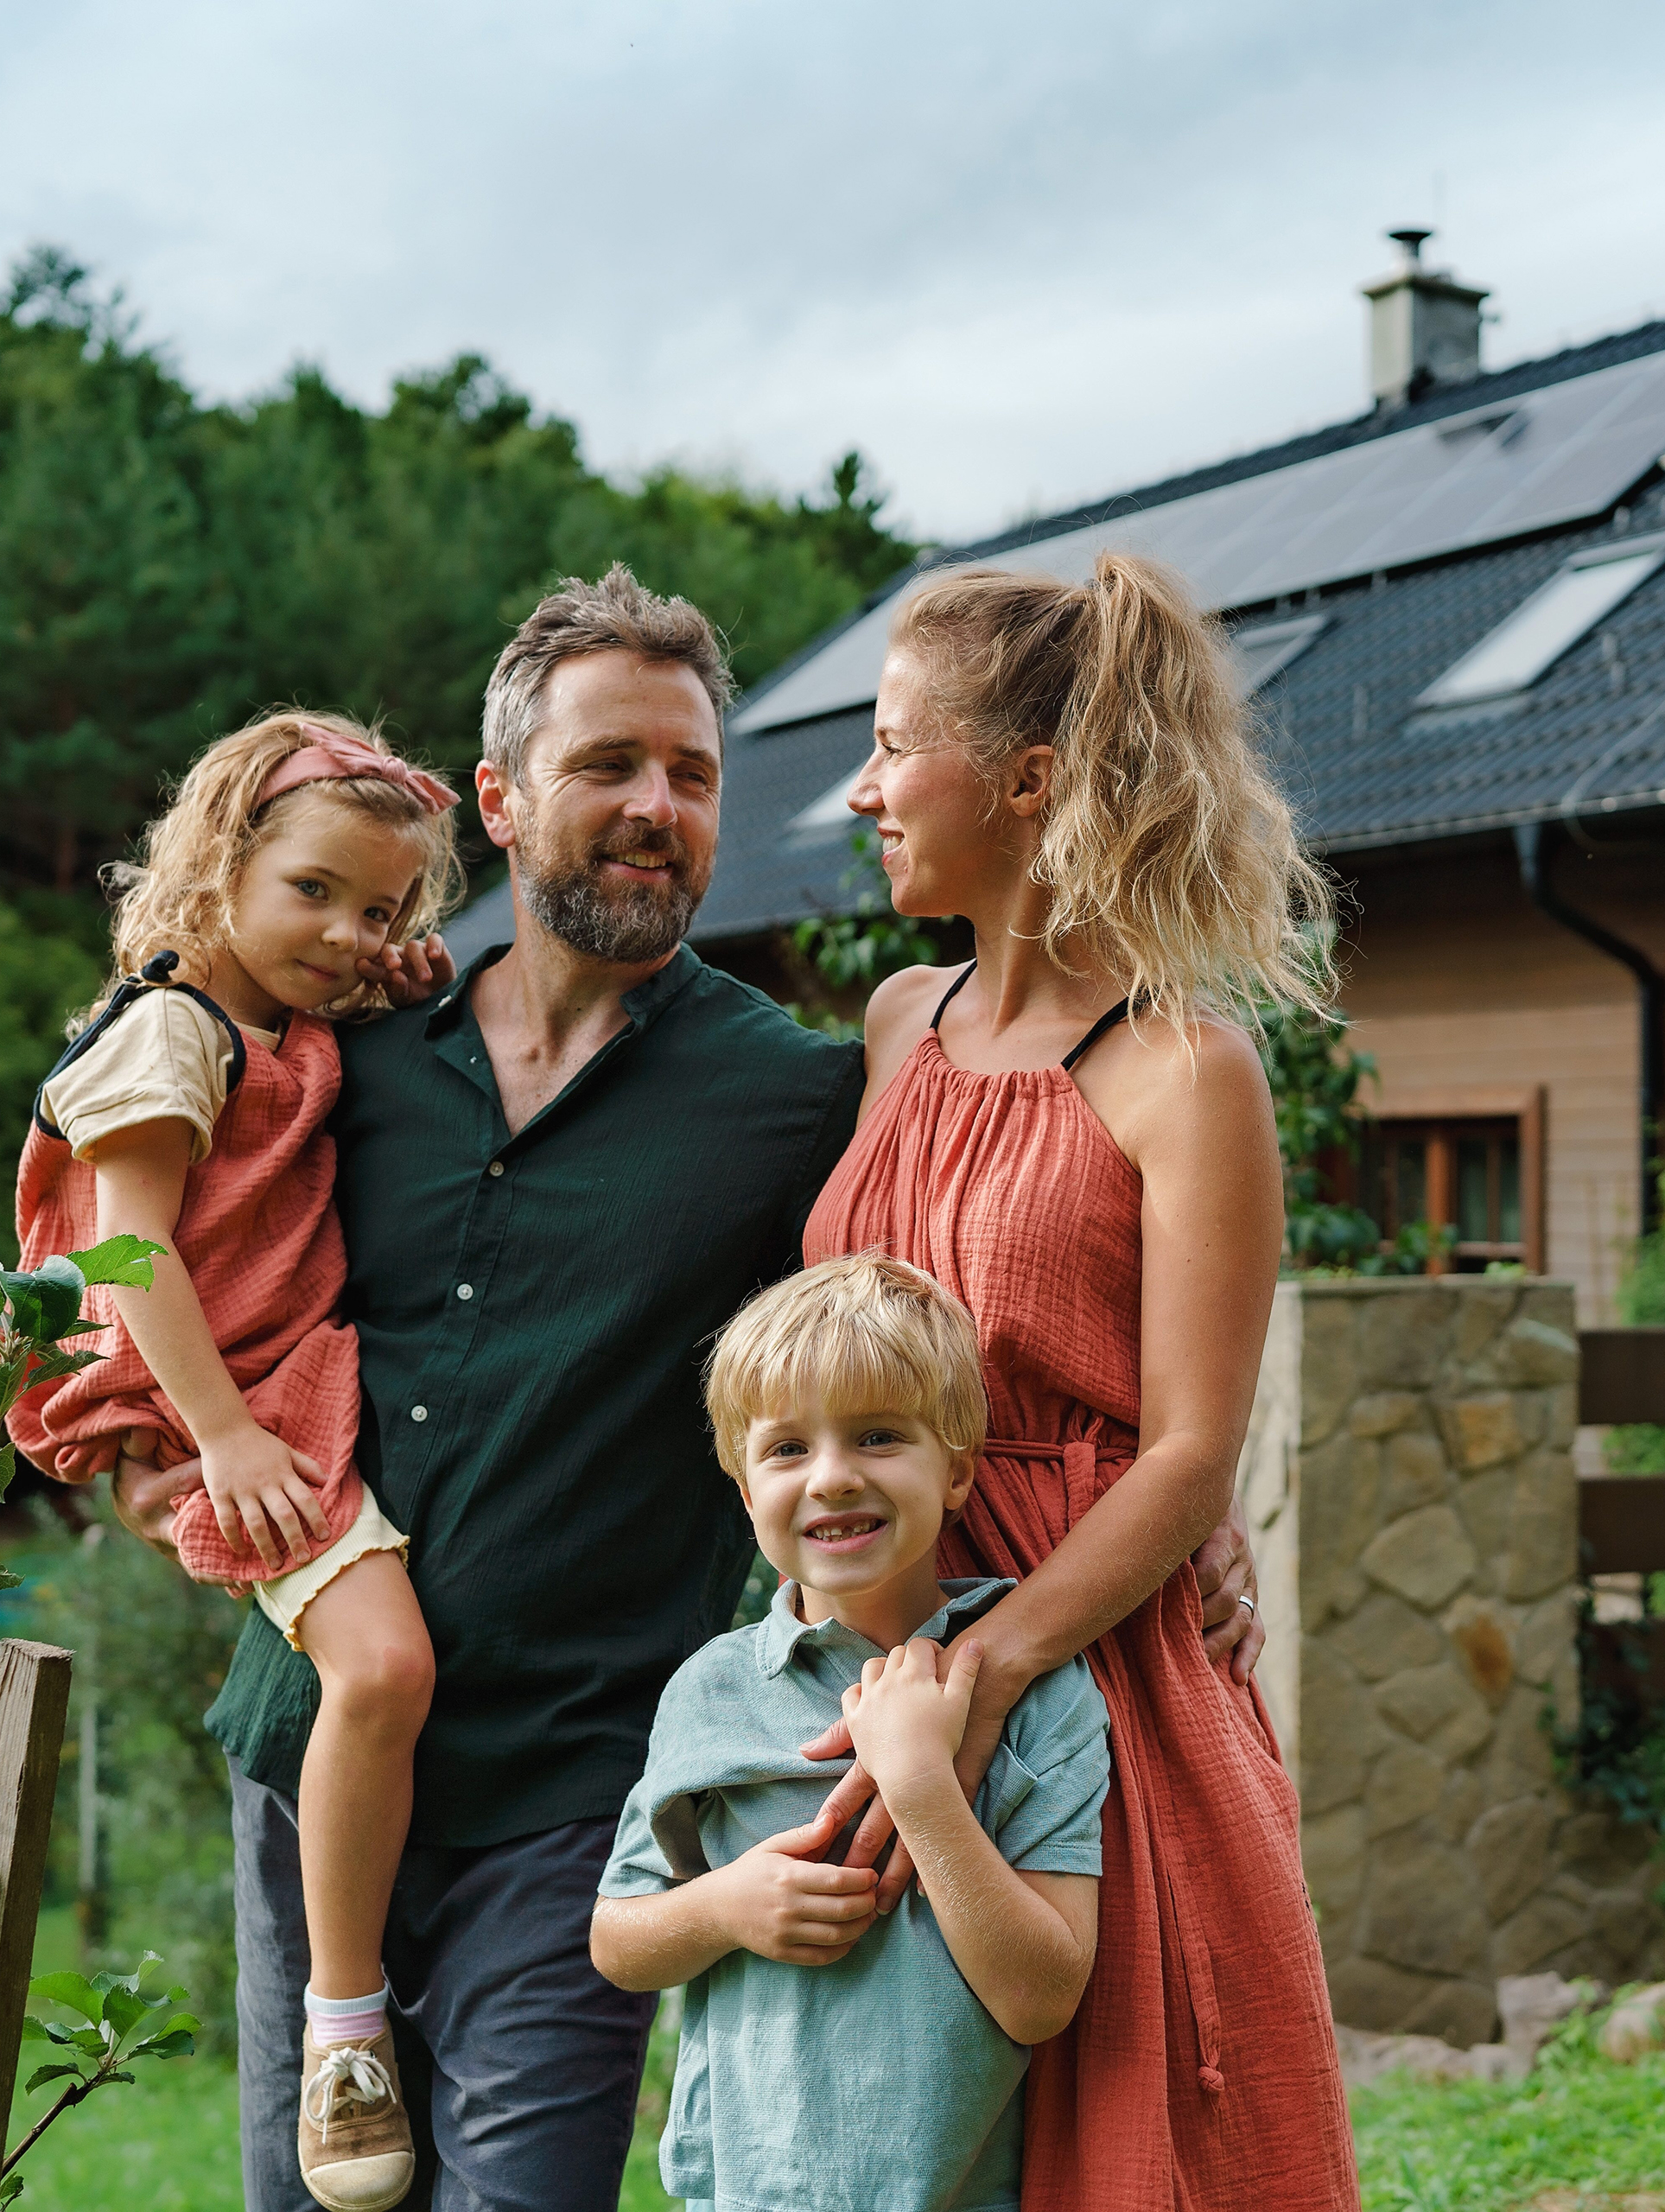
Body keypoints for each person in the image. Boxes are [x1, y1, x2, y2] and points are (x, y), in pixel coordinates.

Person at [108, 566, 1268, 2212]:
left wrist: (1182, 1490)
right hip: (311, 1751)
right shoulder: (326, 1055)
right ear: (499, 802)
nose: (656, 808)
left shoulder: (796, 1092)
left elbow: (930, 1305)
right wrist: (141, 1457)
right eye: (607, 767)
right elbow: (137, 1239)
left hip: (582, 1779)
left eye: (692, 774)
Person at [800, 551, 1357, 2209]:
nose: (861, 786)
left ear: (1026, 779)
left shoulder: (1185, 1069)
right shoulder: (901, 1019)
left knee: (1130, 2144)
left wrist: (983, 1674)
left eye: (896, 744)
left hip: (1090, 1678)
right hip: (876, 1645)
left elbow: (1190, 1453)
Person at [7, 712, 463, 2211]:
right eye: (314, 893)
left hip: (277, 1378)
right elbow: (128, 1249)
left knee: (379, 1671)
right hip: (219, 1392)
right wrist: (216, 1435)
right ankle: (346, 2033)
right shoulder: (169, 1030)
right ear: (217, 866)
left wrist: (394, 978)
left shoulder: (282, 1017)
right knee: (382, 1671)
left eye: (383, 910)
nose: (347, 933)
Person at [591, 1252, 1110, 2212]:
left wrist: (919, 1783)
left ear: (956, 1471)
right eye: (786, 1449)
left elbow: (1042, 1999)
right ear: (745, 1490)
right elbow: (618, 1940)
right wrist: (723, 1908)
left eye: (877, 1436)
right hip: (744, 2191)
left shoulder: (1042, 1692)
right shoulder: (710, 1690)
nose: (831, 1478)